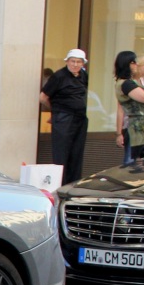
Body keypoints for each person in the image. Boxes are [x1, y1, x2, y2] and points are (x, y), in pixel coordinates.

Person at [39, 49, 89, 184]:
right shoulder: (58, 76)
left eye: (78, 62)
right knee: (62, 154)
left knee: (76, 153)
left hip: (80, 118)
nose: (75, 64)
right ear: (67, 61)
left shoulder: (83, 75)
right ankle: (60, 184)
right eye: (72, 61)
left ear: (83, 64)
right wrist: (55, 110)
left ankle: (73, 183)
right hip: (64, 118)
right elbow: (43, 97)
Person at [112, 50, 144, 163]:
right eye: (133, 62)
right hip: (137, 131)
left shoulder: (130, 83)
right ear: (126, 64)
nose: (136, 65)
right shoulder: (126, 84)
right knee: (136, 165)